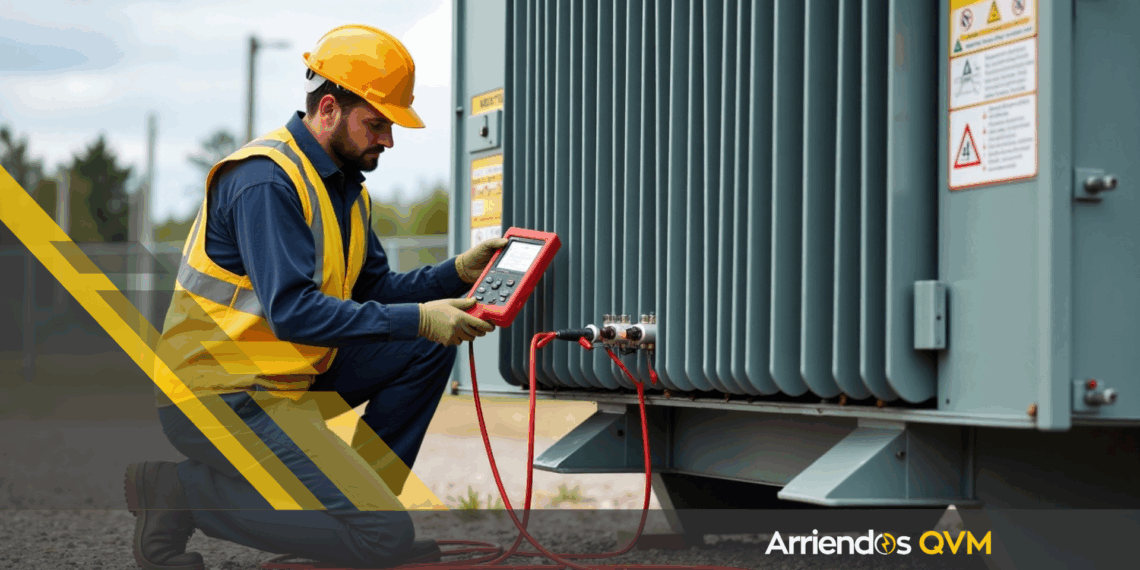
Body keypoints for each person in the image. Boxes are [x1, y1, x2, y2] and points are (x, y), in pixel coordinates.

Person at [124, 24, 506, 570]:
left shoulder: (345, 189)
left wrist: (454, 274)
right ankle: (180, 493)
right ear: (329, 108)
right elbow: (293, 311)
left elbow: (377, 293)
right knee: (382, 541)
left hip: (287, 382)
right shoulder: (266, 181)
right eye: (377, 124)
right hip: (220, 396)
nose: (389, 140)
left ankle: (362, 514)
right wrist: (421, 318)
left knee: (424, 348)